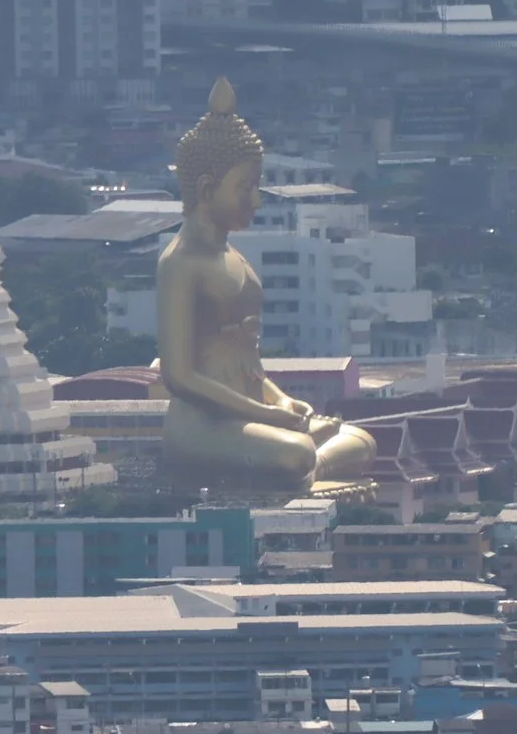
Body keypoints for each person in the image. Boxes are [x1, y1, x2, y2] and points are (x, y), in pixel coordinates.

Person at [156, 78, 375, 492]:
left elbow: (247, 363)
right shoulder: (180, 263)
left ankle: (305, 470)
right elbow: (180, 376)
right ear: (205, 189)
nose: (256, 200)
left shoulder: (233, 257)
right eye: (245, 188)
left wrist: (281, 401)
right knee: (297, 452)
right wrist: (267, 416)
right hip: (202, 425)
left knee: (361, 442)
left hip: (252, 418)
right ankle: (304, 467)